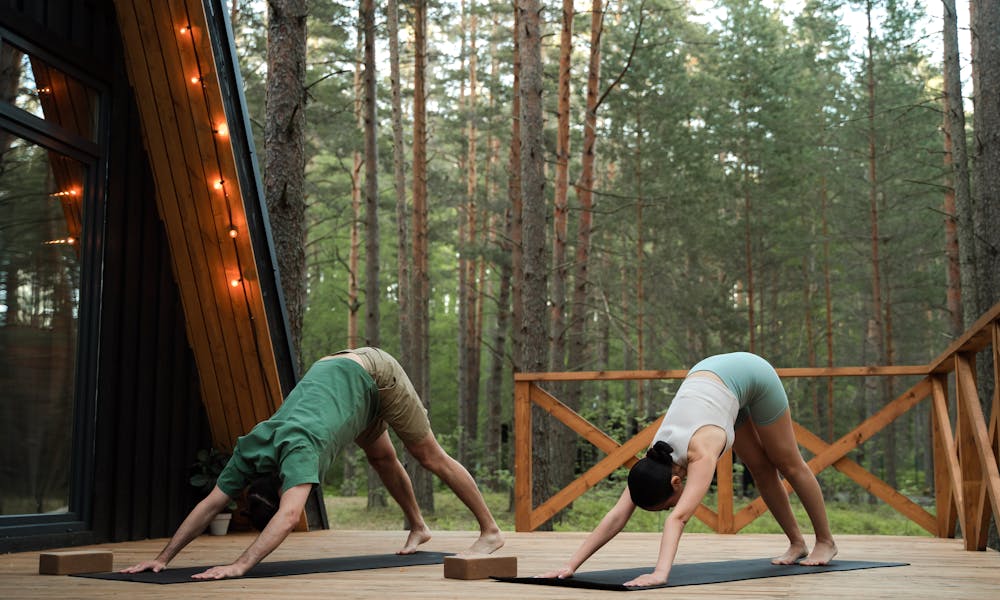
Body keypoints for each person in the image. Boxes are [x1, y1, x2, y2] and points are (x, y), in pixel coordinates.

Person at [122, 347, 504, 580]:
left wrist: (241, 564)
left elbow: (288, 517)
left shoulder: (299, 450)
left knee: (428, 455)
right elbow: (210, 505)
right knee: (381, 457)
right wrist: (161, 559)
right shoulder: (252, 446)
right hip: (342, 382)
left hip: (375, 372)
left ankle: (490, 530)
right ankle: (419, 527)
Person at [539, 351, 837, 587]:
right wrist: (571, 565)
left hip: (751, 375)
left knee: (786, 462)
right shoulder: (652, 463)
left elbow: (679, 520)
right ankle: (797, 544)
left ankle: (825, 541)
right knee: (759, 469)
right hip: (714, 385)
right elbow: (617, 516)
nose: (671, 509)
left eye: (667, 504)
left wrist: (660, 573)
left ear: (676, 481)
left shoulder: (701, 454)